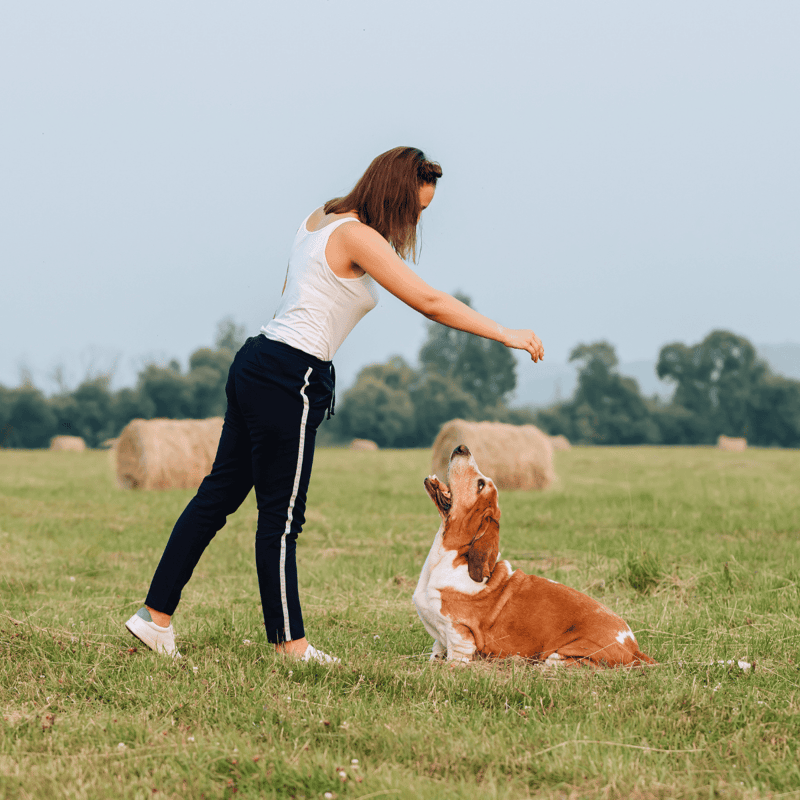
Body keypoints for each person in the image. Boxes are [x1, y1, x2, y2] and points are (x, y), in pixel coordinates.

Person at [125, 146, 544, 663]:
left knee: (216, 497)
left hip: (258, 359)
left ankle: (154, 618)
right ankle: (290, 645)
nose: (415, 221)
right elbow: (430, 302)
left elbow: (295, 292)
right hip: (290, 376)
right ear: (393, 194)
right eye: (415, 208)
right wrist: (507, 333)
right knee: (280, 519)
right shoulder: (357, 237)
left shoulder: (322, 216)